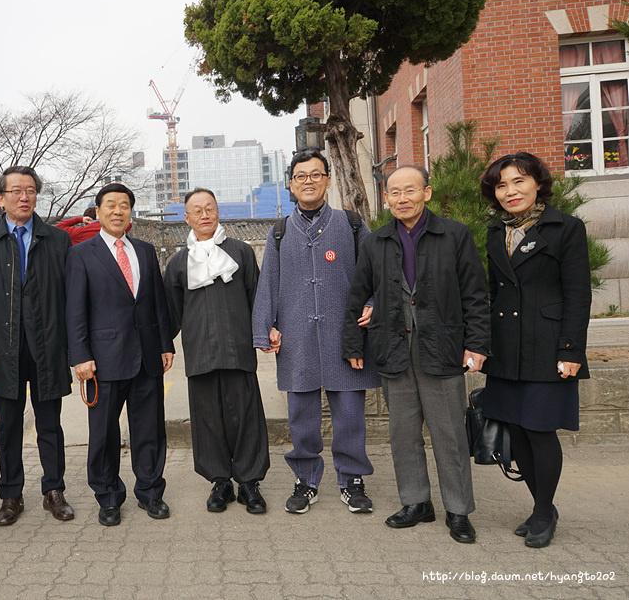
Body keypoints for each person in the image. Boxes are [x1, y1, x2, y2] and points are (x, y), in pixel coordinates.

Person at [342, 165, 489, 544]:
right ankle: (416, 502)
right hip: (393, 350)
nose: (402, 198)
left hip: (442, 351)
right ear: (386, 198)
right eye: (394, 192)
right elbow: (357, 294)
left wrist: (477, 345)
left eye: (410, 190)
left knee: (450, 436)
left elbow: (475, 294)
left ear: (427, 193)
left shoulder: (454, 234)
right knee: (403, 435)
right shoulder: (376, 242)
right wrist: (352, 344)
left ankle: (458, 510)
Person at [252, 149, 380, 516]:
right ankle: (306, 479)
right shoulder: (278, 232)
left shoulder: (352, 225)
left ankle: (352, 478)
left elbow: (375, 272)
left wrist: (373, 303)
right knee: (301, 416)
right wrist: (265, 328)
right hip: (296, 339)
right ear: (291, 185)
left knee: (350, 415)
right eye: (300, 176)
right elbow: (268, 285)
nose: (308, 181)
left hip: (346, 337)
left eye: (315, 174)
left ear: (327, 180)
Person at [479, 152, 591, 548]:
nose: (510, 191)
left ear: (538, 183)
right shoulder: (496, 232)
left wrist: (571, 350)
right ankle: (539, 505)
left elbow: (578, 295)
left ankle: (545, 512)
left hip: (548, 347)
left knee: (540, 431)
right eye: (501, 185)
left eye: (519, 181)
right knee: (516, 432)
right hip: (506, 348)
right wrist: (482, 344)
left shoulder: (565, 228)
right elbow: (494, 293)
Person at [0, 165, 75, 527]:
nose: (24, 197)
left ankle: (53, 490)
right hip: (2, 350)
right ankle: (11, 495)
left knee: (50, 424)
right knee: (8, 425)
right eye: (15, 191)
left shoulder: (57, 239)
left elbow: (70, 297)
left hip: (47, 347)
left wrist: (73, 349)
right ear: (0, 198)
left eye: (30, 190)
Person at [65, 182, 175, 527]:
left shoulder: (144, 250)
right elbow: (75, 311)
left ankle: (151, 491)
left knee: (150, 430)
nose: (117, 211)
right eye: (110, 205)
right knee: (104, 435)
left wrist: (165, 344)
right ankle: (108, 496)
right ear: (97, 212)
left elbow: (156, 302)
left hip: (146, 358)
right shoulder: (82, 254)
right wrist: (80, 357)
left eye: (124, 205)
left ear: (130, 212)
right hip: (103, 359)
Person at [164, 188, 270, 514]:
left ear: (218, 211)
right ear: (187, 218)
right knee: (207, 419)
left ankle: (249, 482)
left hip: (238, 349)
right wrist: (164, 345)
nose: (204, 215)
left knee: (246, 417)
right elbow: (170, 312)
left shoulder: (241, 252)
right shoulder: (179, 262)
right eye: (197, 210)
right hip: (200, 352)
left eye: (209, 208)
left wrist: (263, 333)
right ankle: (220, 481)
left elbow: (257, 297)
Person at [56, 206, 132, 245]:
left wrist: (79, 219)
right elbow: (129, 224)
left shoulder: (79, 233)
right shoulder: (113, 229)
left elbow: (59, 227)